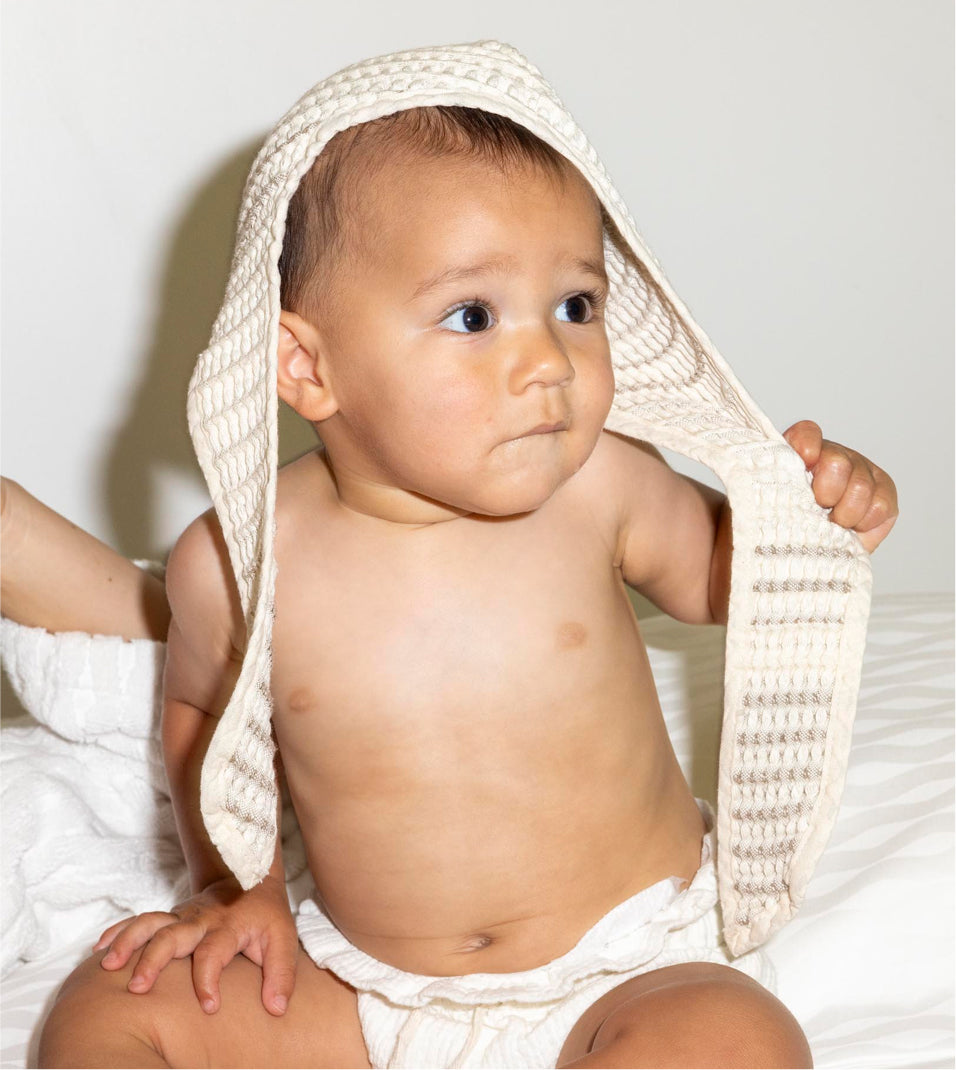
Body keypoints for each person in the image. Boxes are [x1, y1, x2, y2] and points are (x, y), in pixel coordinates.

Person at [20, 44, 898, 1070]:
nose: (545, 362)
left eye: (575, 304)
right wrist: (236, 885)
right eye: (471, 315)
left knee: (733, 1041)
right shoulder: (237, 560)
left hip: (622, 970)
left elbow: (721, 577)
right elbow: (204, 721)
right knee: (109, 1011)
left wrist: (817, 516)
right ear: (306, 364)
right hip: (358, 976)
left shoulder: (601, 485)